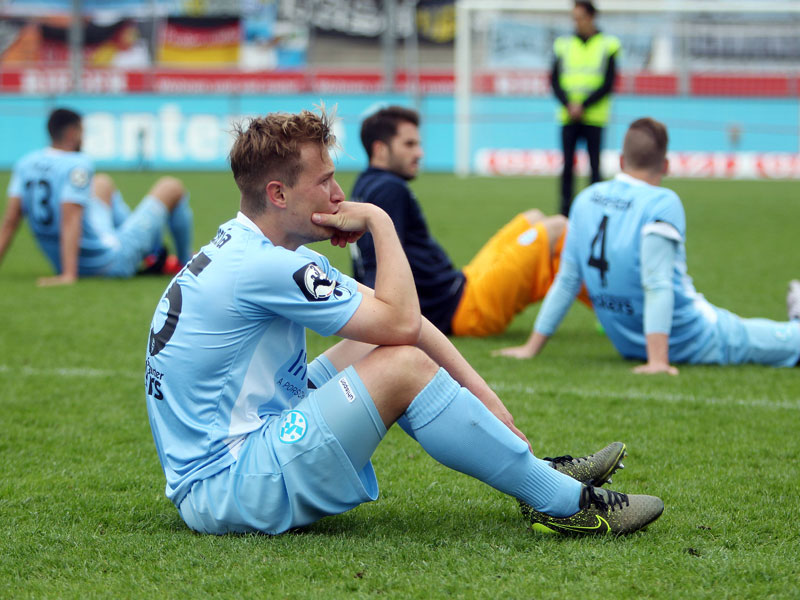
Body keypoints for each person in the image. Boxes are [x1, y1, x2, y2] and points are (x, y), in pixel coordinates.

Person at [144, 107, 663, 537]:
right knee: (401, 367)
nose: (338, 194)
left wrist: (489, 403)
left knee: (382, 352)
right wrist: (379, 221)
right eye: (324, 182)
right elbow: (401, 324)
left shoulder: (254, 249)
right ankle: (566, 504)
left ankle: (534, 471)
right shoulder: (265, 264)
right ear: (278, 194)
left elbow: (407, 326)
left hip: (248, 445)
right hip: (229, 486)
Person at [496, 117, 800, 373]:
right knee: (781, 342)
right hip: (694, 336)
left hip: (631, 342)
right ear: (665, 165)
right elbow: (656, 283)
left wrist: (531, 347)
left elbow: (567, 281)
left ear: (620, 160)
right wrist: (658, 361)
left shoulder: (586, 199)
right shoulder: (662, 203)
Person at [350, 105, 585, 338]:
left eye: (418, 144)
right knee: (558, 227)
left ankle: (605, 300)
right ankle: (611, 309)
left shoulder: (365, 185)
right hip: (461, 310)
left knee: (533, 217)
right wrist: (381, 321)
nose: (420, 152)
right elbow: (379, 264)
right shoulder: (389, 189)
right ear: (380, 149)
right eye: (409, 144)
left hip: (462, 285)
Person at [0, 107, 193, 285]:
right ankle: (184, 262)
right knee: (171, 186)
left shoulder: (26, 164)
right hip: (109, 263)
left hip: (69, 258)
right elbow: (71, 219)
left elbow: (10, 221)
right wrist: (69, 275)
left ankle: (150, 253)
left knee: (102, 183)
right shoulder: (77, 165)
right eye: (82, 132)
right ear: (71, 133)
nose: (83, 137)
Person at [552, 1, 620, 216]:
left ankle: (595, 210)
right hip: (568, 116)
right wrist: (569, 104)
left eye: (580, 17)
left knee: (594, 167)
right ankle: (565, 212)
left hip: (595, 117)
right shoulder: (563, 44)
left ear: (591, 17)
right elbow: (553, 80)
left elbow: (608, 83)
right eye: (574, 18)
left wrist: (583, 105)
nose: (576, 22)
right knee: (567, 167)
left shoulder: (608, 44)